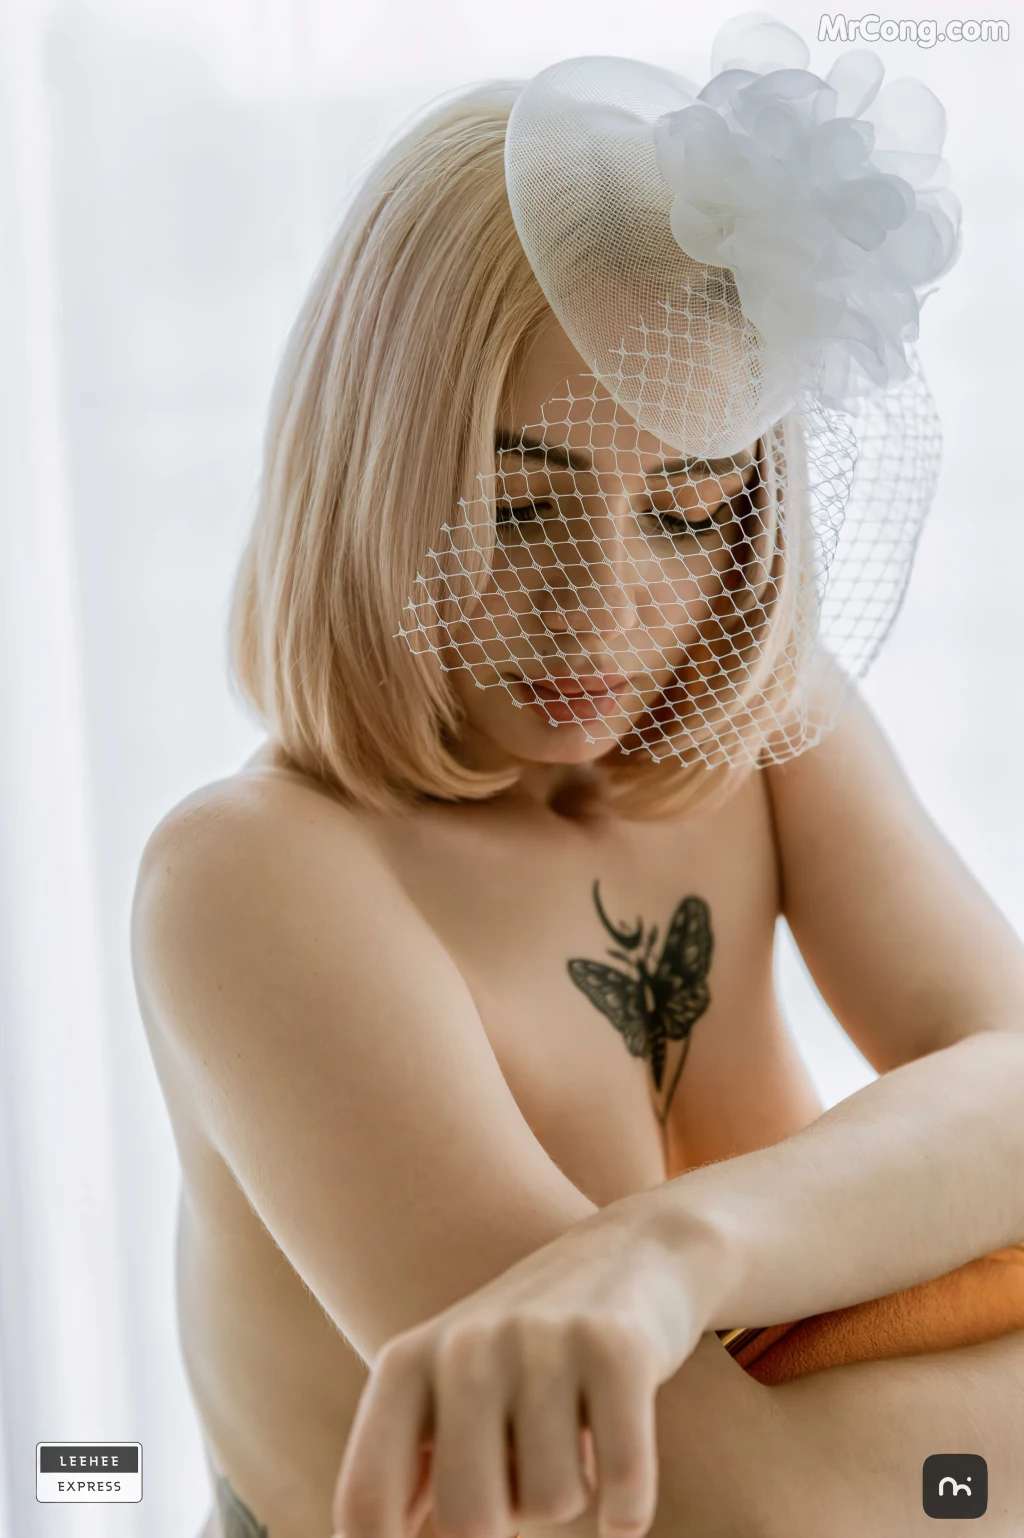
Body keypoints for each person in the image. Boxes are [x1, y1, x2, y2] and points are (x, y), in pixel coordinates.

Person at [130, 21, 1024, 1538]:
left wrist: (674, 1249)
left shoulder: (764, 734)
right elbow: (749, 1514)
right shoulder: (252, 877)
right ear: (368, 481)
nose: (605, 616)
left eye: (688, 510)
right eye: (522, 507)